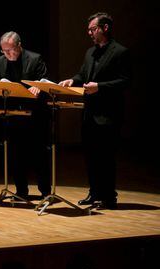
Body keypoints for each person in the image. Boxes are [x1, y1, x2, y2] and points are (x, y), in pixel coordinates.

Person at [59, 12, 131, 209]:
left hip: (109, 114)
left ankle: (109, 197)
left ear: (105, 28)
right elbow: (83, 74)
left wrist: (100, 86)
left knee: (106, 157)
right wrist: (72, 80)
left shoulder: (120, 52)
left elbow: (125, 81)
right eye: (89, 29)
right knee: (91, 156)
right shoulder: (90, 52)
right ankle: (94, 193)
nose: (89, 32)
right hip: (90, 113)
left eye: (93, 29)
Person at [0, 31, 51, 199]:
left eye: (11, 50)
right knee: (16, 154)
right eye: (4, 51)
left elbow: (44, 80)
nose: (8, 54)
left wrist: (38, 86)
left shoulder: (34, 59)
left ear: (19, 46)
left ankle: (46, 192)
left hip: (35, 115)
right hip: (13, 115)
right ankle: (21, 191)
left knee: (39, 154)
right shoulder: (0, 61)